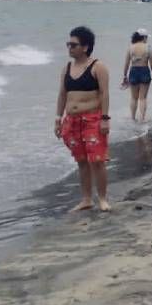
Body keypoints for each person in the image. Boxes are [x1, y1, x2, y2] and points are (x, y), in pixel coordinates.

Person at [55, 26, 111, 212]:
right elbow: (62, 95)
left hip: (92, 119)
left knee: (97, 160)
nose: (69, 48)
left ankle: (102, 198)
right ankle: (86, 199)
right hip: (72, 121)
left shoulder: (98, 67)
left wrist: (104, 118)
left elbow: (104, 94)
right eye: (68, 44)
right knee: (81, 161)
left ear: (85, 47)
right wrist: (58, 118)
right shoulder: (67, 68)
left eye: (74, 45)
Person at [122, 29, 152, 123]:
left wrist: (125, 75)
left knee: (133, 97)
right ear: (143, 37)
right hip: (144, 70)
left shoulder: (130, 47)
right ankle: (142, 118)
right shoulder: (147, 47)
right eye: (146, 37)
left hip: (133, 71)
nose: (147, 39)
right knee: (143, 98)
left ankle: (133, 118)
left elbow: (126, 63)